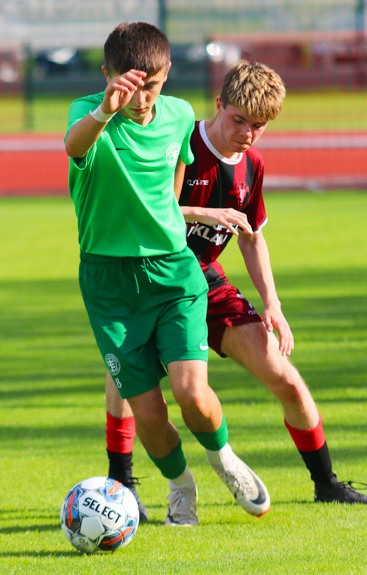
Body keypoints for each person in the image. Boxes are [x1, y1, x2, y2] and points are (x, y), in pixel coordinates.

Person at [104, 60, 367, 523]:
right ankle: (122, 482)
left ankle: (327, 484)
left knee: (286, 377)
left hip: (206, 282)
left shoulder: (252, 165)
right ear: (218, 105)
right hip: (149, 277)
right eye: (239, 121)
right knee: (127, 379)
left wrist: (272, 303)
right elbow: (148, 208)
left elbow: (252, 236)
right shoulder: (178, 140)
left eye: (259, 126)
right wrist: (201, 214)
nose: (247, 133)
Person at [65, 22, 270, 528]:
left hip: (173, 273)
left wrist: (197, 216)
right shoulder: (87, 114)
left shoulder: (178, 115)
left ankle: (224, 459)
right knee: (150, 416)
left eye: (151, 85)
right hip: (108, 285)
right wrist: (104, 111)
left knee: (192, 394)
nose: (140, 99)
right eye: (128, 85)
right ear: (107, 75)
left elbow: (169, 198)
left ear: (167, 75)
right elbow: (74, 148)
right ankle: (181, 488)